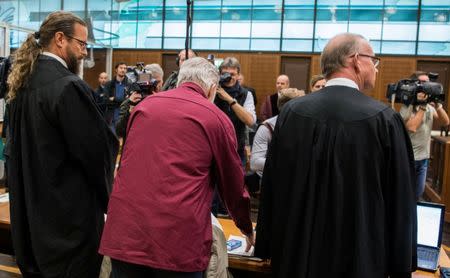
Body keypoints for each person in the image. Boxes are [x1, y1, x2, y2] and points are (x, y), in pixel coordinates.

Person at [255, 33, 417, 278]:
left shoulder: (291, 114)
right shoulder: (384, 119)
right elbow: (400, 199)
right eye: (373, 59)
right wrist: (401, 265)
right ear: (354, 60)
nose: (375, 67)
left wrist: (266, 244)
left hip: (297, 256)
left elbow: (272, 184)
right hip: (360, 258)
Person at [99, 57, 254, 277]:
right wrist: (246, 226)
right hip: (176, 242)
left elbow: (126, 164)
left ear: (180, 81)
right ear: (211, 89)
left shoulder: (143, 108)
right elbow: (233, 183)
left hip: (126, 234)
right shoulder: (215, 118)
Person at [5, 11, 118, 277]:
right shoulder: (68, 87)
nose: (83, 52)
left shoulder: (23, 83)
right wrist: (109, 202)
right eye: (81, 44)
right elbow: (95, 152)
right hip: (67, 225)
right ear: (59, 39)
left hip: (32, 215)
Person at [399, 71, 449, 199]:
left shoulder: (430, 107)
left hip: (423, 159)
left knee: (418, 194)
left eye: (428, 83)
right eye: (423, 83)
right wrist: (422, 105)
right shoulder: (407, 106)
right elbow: (412, 127)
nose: (427, 86)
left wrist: (437, 104)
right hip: (409, 159)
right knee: (405, 195)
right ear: (415, 86)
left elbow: (445, 121)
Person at [250, 88, 304, 178]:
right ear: (289, 108)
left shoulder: (307, 125)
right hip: (273, 180)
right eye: (302, 105)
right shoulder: (267, 128)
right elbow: (255, 163)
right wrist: (289, 163)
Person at [115, 63, 164, 138]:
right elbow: (119, 132)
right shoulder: (132, 101)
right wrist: (130, 111)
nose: (156, 85)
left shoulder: (165, 100)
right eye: (153, 82)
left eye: (157, 82)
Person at [104, 62, 139, 133]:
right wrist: (124, 100)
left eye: (125, 68)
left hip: (124, 116)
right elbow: (106, 101)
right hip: (111, 116)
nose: (123, 70)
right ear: (116, 70)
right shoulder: (109, 84)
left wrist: (114, 99)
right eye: (121, 68)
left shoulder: (130, 85)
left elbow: (129, 101)